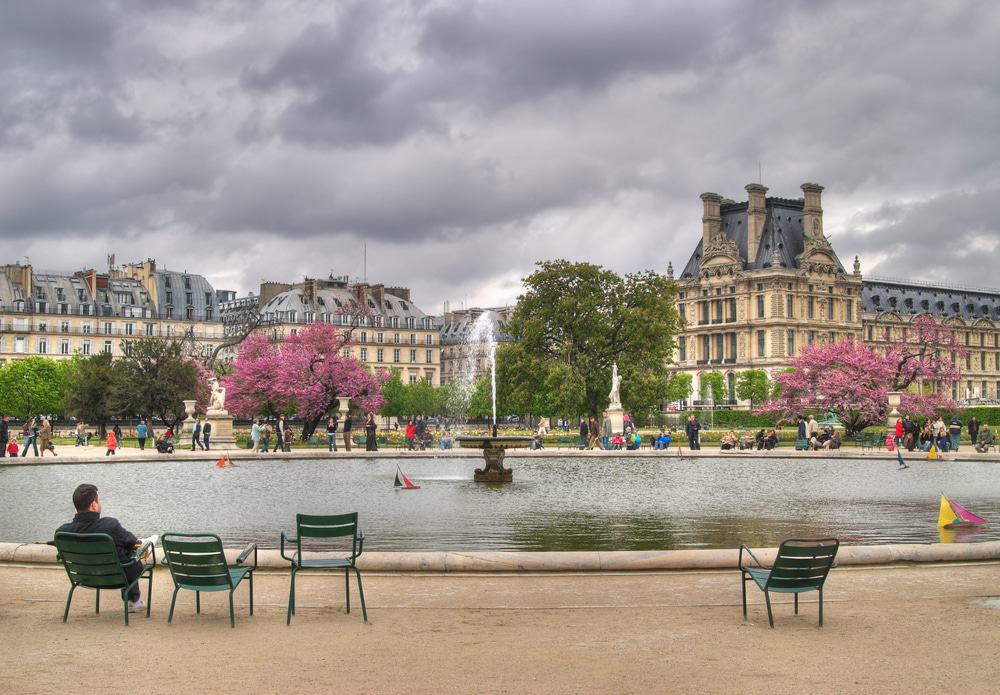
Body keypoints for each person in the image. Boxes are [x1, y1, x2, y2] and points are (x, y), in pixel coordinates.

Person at [56, 484, 145, 612]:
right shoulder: (110, 526)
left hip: (84, 577)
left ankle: (133, 601)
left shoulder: (62, 532)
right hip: (117, 578)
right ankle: (133, 601)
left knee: (120, 548)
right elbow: (132, 541)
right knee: (130, 551)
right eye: (99, 500)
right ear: (93, 505)